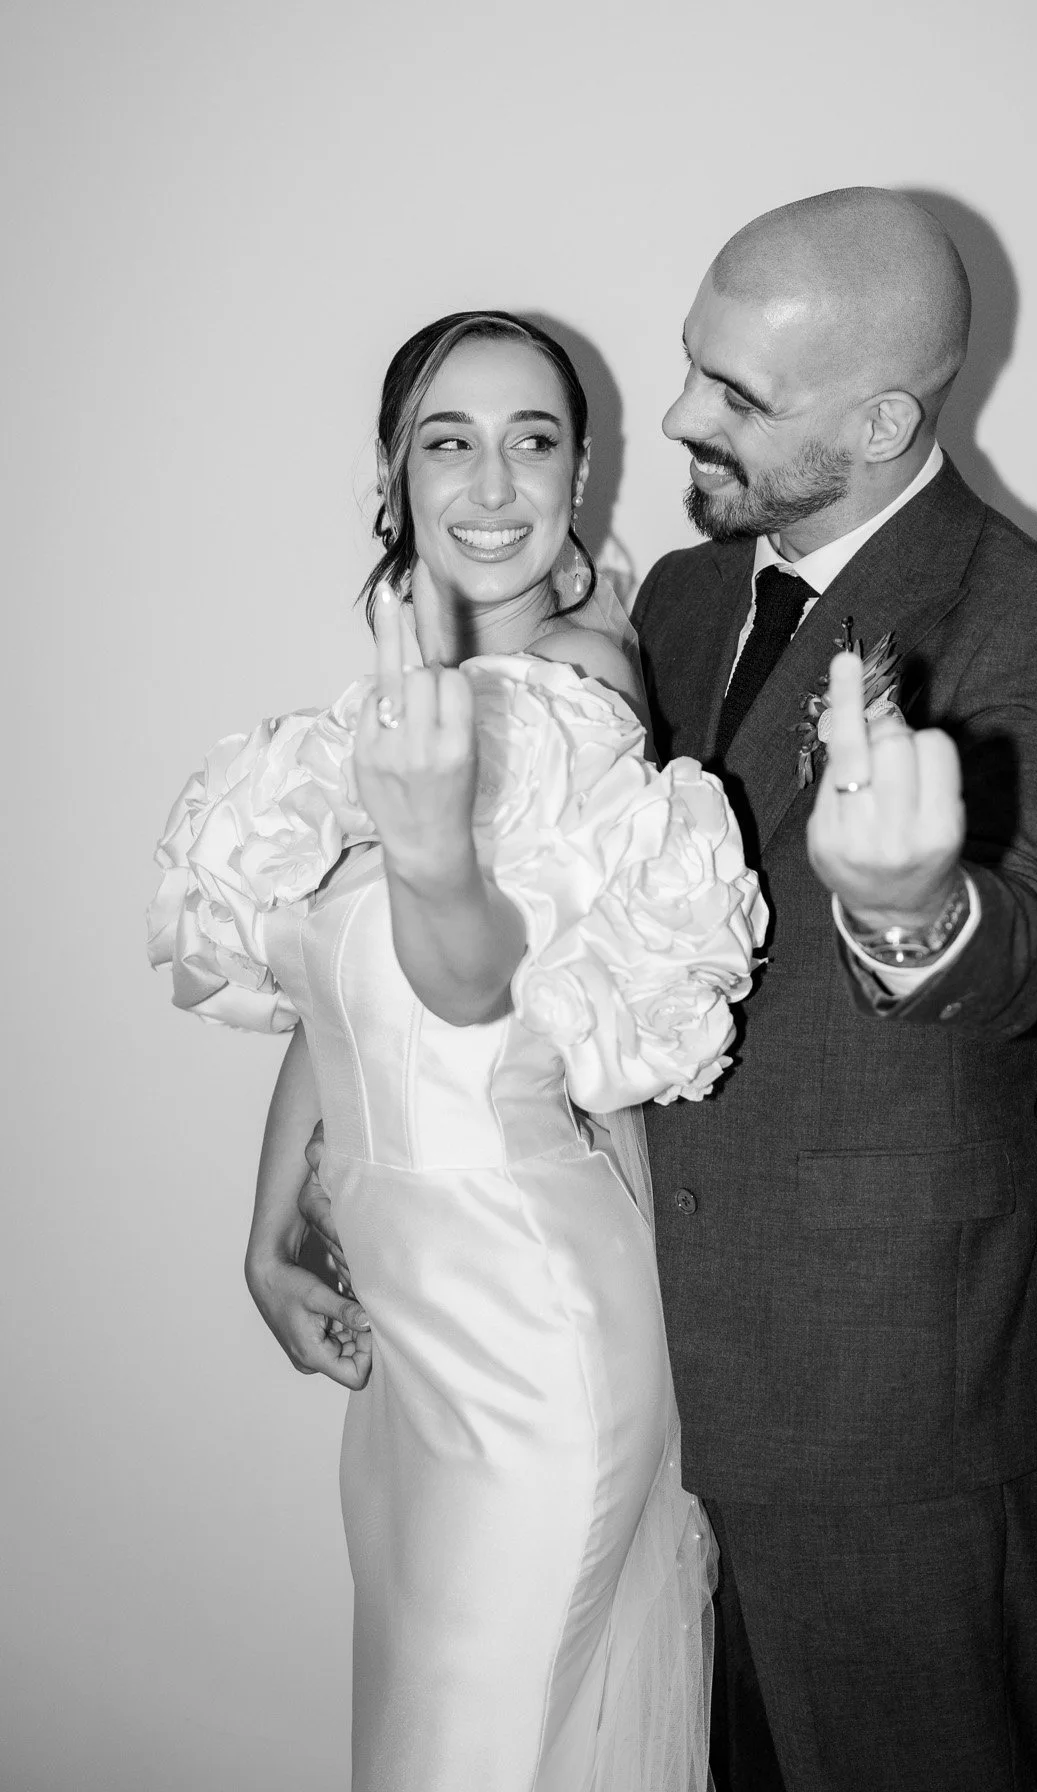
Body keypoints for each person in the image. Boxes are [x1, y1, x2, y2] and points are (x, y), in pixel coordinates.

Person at [147, 311, 768, 1792]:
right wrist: (267, 1225)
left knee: (470, 1756)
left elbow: (480, 991)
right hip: (411, 1353)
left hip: (529, 1333)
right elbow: (335, 990)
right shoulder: (421, 693)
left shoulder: (583, 682)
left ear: (580, 473)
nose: (494, 483)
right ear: (394, 474)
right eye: (451, 441)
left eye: (533, 442)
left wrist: (431, 854)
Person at [629, 188, 1037, 1792]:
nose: (678, 417)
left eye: (737, 397)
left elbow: (1034, 939)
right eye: (694, 366)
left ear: (879, 419)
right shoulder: (681, 599)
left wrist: (915, 909)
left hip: (893, 1409)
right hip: (646, 1382)